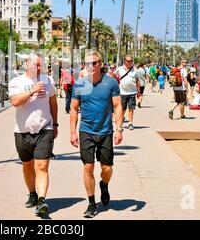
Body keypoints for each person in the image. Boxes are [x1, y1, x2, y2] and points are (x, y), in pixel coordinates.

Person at [70, 50, 123, 218]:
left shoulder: (111, 83)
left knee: (106, 168)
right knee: (88, 166)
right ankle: (91, 203)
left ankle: (104, 185)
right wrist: (72, 132)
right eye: (88, 63)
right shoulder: (79, 84)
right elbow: (73, 108)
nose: (91, 66)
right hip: (86, 130)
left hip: (106, 131)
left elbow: (118, 106)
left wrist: (119, 129)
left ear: (101, 64)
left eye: (94, 63)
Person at [8, 53, 58, 218]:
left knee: (42, 167)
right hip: (22, 131)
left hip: (45, 129)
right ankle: (32, 193)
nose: (38, 68)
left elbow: (53, 102)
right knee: (27, 165)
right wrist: (32, 91)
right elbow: (15, 102)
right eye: (35, 65)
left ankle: (42, 200)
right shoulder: (16, 82)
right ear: (26, 65)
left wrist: (55, 124)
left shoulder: (48, 80)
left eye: (40, 65)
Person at [114, 55, 141, 130]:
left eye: (131, 61)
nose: (130, 62)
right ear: (125, 61)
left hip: (132, 92)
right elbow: (113, 75)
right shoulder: (120, 69)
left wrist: (139, 91)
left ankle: (130, 123)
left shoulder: (134, 70)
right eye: (128, 61)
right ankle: (120, 123)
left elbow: (137, 80)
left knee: (131, 108)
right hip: (122, 92)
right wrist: (116, 84)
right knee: (122, 109)